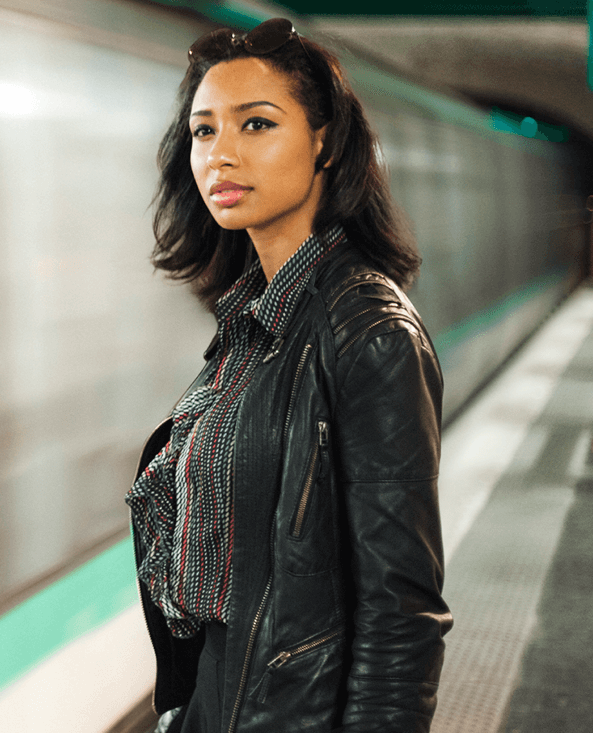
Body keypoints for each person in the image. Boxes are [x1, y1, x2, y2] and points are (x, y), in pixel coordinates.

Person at [124, 18, 452, 733]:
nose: (221, 154)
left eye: (257, 124)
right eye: (203, 131)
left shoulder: (368, 333)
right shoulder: (251, 321)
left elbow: (401, 615)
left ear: (325, 142)